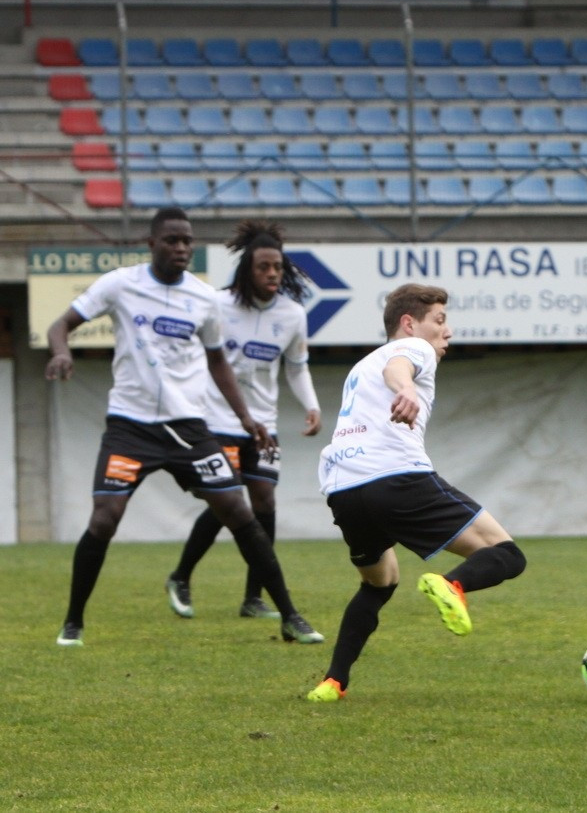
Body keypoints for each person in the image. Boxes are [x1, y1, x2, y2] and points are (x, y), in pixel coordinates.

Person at [47, 207, 323, 647]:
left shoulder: (203, 298)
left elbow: (218, 363)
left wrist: (246, 418)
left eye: (187, 242)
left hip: (189, 429)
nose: (181, 248)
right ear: (152, 243)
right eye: (172, 240)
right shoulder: (121, 284)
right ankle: (73, 623)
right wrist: (61, 352)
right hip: (130, 427)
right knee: (105, 518)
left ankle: (289, 615)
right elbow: (62, 324)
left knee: (240, 511)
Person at [307, 284, 527, 702]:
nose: (448, 333)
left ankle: (333, 682)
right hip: (394, 478)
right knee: (506, 555)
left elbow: (391, 370)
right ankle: (453, 586)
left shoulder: (361, 365)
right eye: (440, 321)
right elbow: (401, 368)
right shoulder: (414, 348)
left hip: (344, 490)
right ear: (409, 323)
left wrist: (402, 384)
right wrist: (406, 389)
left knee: (378, 583)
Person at [165, 220, 322, 620]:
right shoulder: (216, 305)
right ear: (246, 270)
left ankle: (254, 597)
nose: (272, 274)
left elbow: (297, 367)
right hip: (216, 419)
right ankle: (180, 577)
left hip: (263, 424)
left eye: (278, 267)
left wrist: (312, 405)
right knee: (227, 502)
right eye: (263, 267)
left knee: (264, 501)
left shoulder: (291, 314)